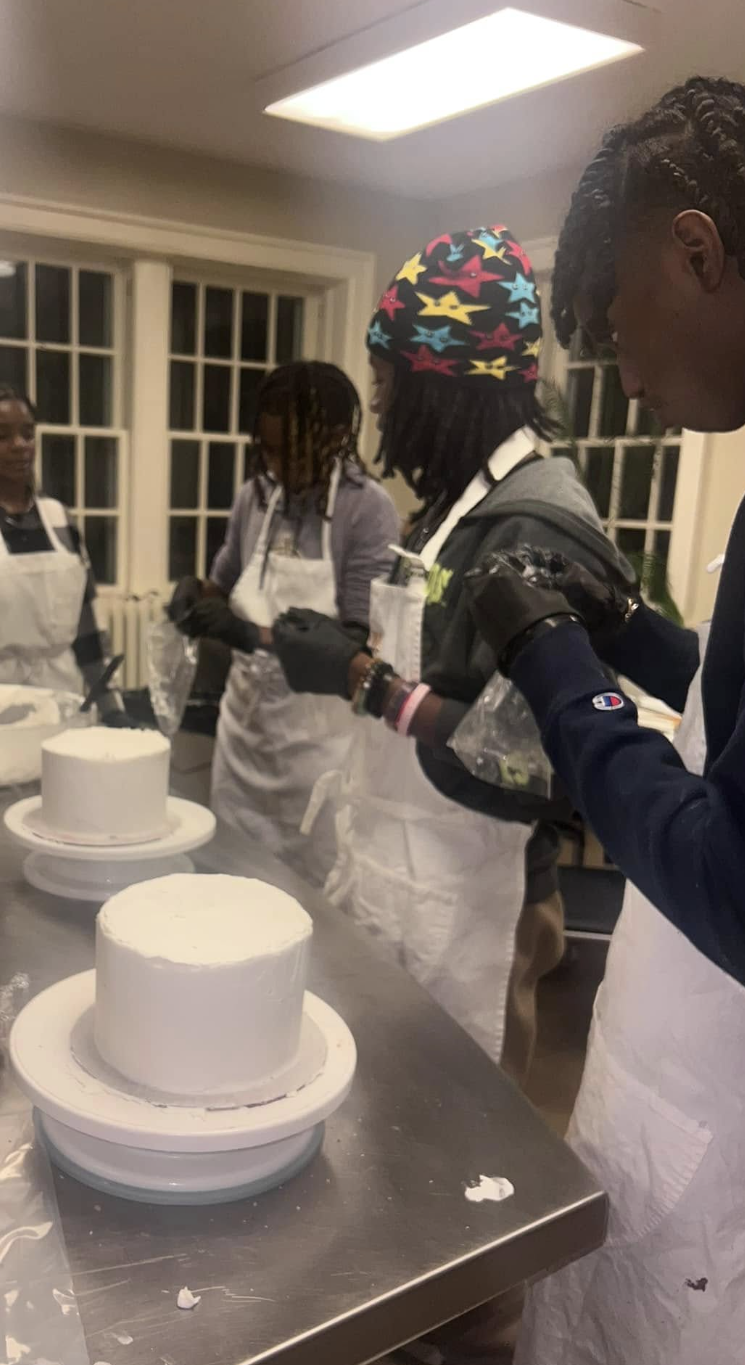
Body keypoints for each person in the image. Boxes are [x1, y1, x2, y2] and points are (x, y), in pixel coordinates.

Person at [455, 78, 745, 1365]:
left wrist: (558, 677)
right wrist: (633, 636)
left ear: (695, 252)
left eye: (615, 333)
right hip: (678, 1057)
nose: (623, 380)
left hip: (729, 1087)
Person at [272, 228, 633, 1083]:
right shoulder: (454, 510)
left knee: (459, 1131)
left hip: (480, 895)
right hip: (402, 872)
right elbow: (457, 668)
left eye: (386, 379)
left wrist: (367, 684)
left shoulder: (535, 523)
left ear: (442, 385)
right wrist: (354, 651)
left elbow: (552, 758)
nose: (378, 402)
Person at [172, 361, 399, 887]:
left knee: (309, 903)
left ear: (337, 435)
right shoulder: (256, 498)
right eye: (267, 450)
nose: (275, 464)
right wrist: (192, 595)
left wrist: (251, 635)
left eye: (288, 450)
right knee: (228, 886)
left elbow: (356, 640)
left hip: (318, 754)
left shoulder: (366, 510)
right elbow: (223, 584)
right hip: (244, 742)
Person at [0, 382, 127, 721]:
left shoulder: (61, 520)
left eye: (28, 434)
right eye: (1, 436)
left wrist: (112, 709)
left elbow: (90, 634)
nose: (19, 446)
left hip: (66, 706)